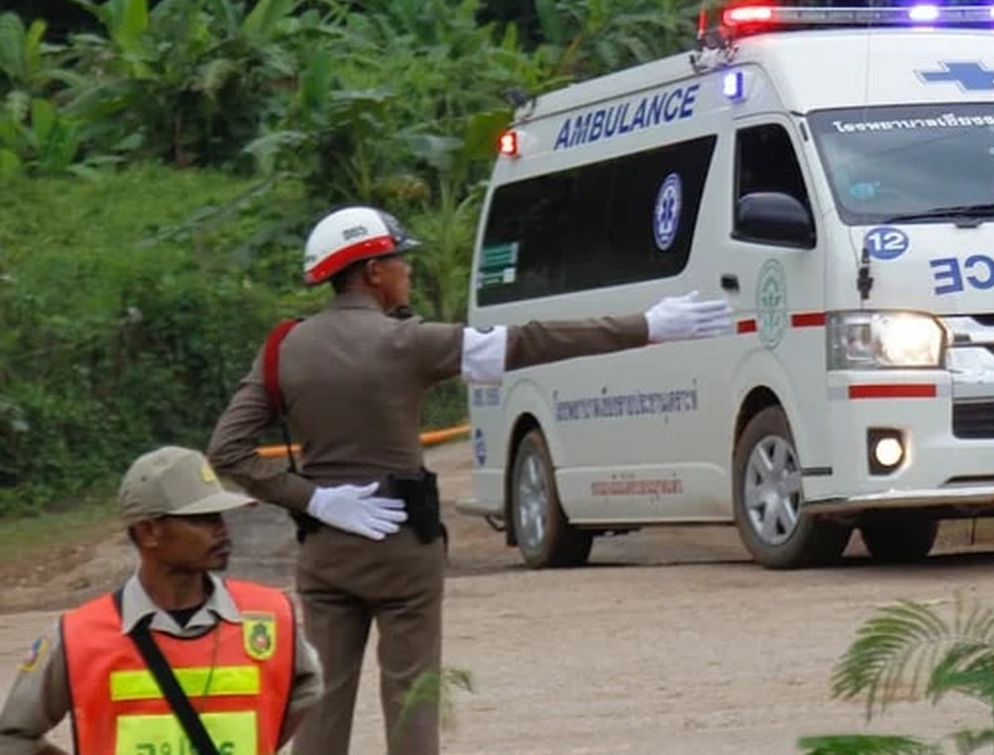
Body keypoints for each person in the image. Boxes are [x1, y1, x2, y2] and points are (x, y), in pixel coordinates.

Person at [207, 204, 732, 755]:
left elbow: (229, 449)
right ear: (372, 271)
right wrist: (648, 326)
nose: (407, 270)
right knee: (413, 697)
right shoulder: (409, 343)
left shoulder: (284, 349)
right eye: (399, 260)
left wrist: (315, 500)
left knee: (321, 703)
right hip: (403, 548)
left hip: (325, 551)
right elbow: (534, 341)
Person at [0, 446, 323, 755]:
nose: (223, 530)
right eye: (203, 519)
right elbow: (12, 737)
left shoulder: (270, 616)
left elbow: (307, 688)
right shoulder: (77, 637)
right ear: (148, 532)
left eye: (220, 517)